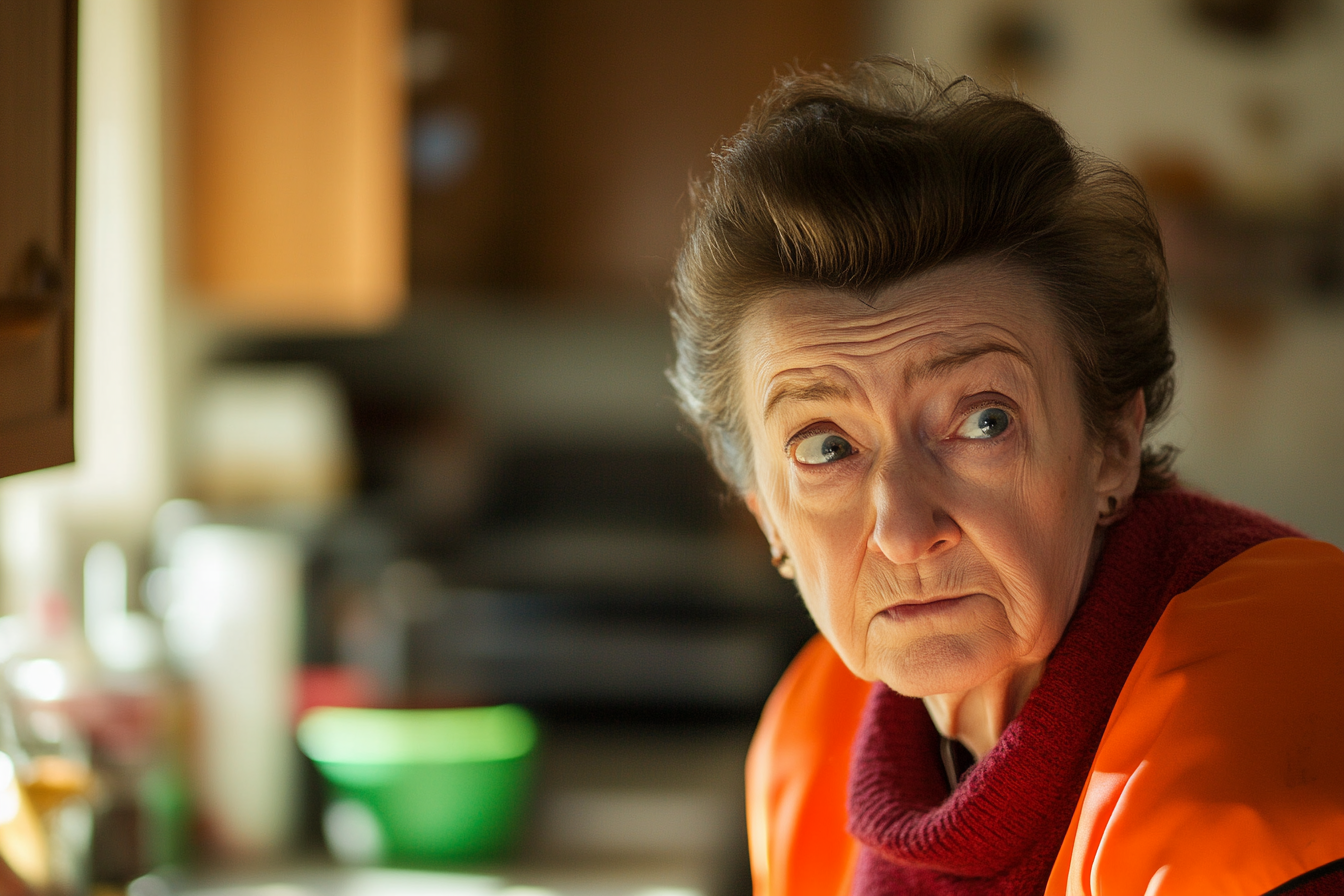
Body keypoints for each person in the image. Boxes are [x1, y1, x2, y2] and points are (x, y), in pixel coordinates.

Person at [668, 58, 1344, 896]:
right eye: (825, 447)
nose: (907, 530)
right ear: (767, 512)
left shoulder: (1276, 731)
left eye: (983, 421)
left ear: (1111, 447)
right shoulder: (813, 729)